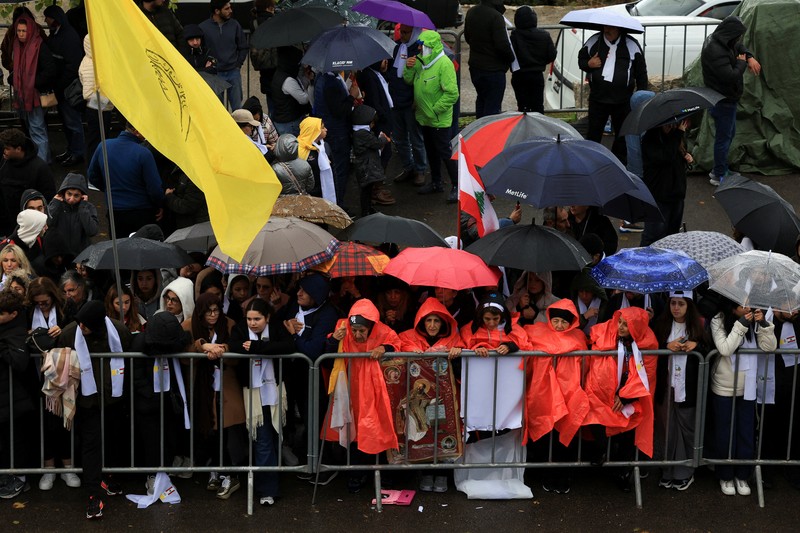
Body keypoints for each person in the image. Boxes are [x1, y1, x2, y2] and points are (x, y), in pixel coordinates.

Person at [55, 301, 132, 519]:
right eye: (79, 323)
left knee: (113, 439)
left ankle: (107, 477)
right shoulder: (70, 333)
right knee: (91, 444)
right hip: (86, 400)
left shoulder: (119, 331)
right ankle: (92, 495)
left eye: (86, 325)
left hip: (112, 398)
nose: (81, 328)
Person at [324, 298, 400, 493]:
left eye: (362, 331)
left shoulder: (383, 331)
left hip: (376, 391)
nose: (357, 334)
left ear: (371, 327)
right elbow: (327, 354)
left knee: (377, 431)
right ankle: (356, 476)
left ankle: (385, 477)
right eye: (355, 330)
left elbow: (397, 344)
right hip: (350, 390)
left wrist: (384, 348)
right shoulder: (343, 328)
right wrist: (335, 339)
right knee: (354, 434)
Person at [229, 298, 296, 506]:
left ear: (267, 317)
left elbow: (288, 346)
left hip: (276, 390)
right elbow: (235, 347)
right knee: (264, 440)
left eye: (257, 318)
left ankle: (271, 483)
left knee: (275, 437)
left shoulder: (276, 327)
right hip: (253, 393)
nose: (252, 323)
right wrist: (264, 348)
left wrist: (257, 347)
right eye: (249, 318)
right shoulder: (240, 329)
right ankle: (267, 490)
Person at [585, 307, 658, 492]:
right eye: (620, 322)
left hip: (630, 396)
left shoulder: (648, 343)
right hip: (608, 391)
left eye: (627, 324)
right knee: (597, 416)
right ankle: (601, 451)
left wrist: (626, 397)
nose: (621, 327)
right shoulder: (610, 336)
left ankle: (622, 473)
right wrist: (611, 393)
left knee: (628, 432)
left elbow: (646, 376)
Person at [709, 298, 776, 496]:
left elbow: (769, 347)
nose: (747, 309)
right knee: (725, 433)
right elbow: (725, 348)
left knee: (746, 432)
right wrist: (741, 325)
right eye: (742, 306)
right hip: (724, 386)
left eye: (749, 305)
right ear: (732, 307)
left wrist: (763, 325)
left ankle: (742, 475)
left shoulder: (755, 320)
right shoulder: (718, 319)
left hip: (748, 386)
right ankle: (726, 475)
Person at [397, 297, 464, 492]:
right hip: (421, 401)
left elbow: (461, 366)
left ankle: (443, 474)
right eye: (428, 320)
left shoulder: (454, 340)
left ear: (443, 322)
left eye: (436, 320)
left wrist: (456, 353)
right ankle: (426, 472)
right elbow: (399, 346)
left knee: (443, 430)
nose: (432, 325)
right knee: (423, 431)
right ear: (420, 322)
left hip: (445, 397)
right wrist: (413, 351)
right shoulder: (408, 337)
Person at [525, 299, 590, 495]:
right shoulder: (538, 332)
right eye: (556, 321)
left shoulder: (578, 337)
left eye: (564, 322)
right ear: (550, 319)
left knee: (565, 435)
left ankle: (562, 475)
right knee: (547, 436)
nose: (560, 326)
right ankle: (547, 474)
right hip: (544, 393)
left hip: (568, 393)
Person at [651, 290, 707, 491]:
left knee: (687, 427)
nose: (676, 308)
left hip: (688, 385)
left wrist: (696, 345)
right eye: (673, 303)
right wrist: (666, 346)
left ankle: (685, 471)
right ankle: (667, 471)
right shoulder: (661, 324)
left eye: (681, 304)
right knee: (668, 429)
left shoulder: (699, 325)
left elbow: (709, 349)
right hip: (667, 384)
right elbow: (651, 345)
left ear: (689, 306)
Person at [701, 15, 761, 186]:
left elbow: (738, 46)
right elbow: (730, 76)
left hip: (727, 98)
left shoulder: (723, 40)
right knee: (724, 137)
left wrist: (749, 56)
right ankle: (718, 175)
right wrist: (742, 63)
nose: (740, 39)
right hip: (722, 99)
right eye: (738, 35)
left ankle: (721, 169)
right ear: (731, 34)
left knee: (728, 134)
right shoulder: (715, 50)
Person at [403, 30, 460, 203]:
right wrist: (409, 67)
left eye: (423, 45)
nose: (419, 48)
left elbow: (452, 94)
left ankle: (457, 187)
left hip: (438, 119)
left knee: (444, 152)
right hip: (424, 118)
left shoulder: (444, 64)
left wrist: (435, 109)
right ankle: (436, 183)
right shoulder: (421, 61)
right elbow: (409, 80)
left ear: (432, 46)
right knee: (431, 151)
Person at [577, 24, 648, 159]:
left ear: (619, 29)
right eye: (605, 27)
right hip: (598, 98)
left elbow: (641, 73)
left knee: (622, 135)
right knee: (593, 133)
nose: (607, 30)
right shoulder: (594, 41)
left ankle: (618, 163)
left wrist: (641, 96)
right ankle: (591, 160)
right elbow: (581, 60)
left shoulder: (632, 44)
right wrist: (588, 64)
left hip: (622, 100)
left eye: (611, 28)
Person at [87, 122, 164, 238]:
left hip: (115, 211)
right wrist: (160, 204)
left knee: (119, 250)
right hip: (141, 211)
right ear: (137, 132)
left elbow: (92, 176)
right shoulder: (144, 153)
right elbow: (154, 188)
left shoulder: (103, 146)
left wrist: (109, 189)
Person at [0, 291, 36, 500]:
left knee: (17, 439)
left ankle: (20, 479)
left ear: (13, 314)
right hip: (7, 397)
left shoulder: (16, 332)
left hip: (15, 398)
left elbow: (19, 361)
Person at [10, 13, 57, 163]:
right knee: (33, 129)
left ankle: (41, 166)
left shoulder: (39, 46)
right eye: (18, 31)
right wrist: (13, 78)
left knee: (37, 130)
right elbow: (17, 70)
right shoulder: (17, 46)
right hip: (23, 95)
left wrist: (32, 82)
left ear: (30, 30)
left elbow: (50, 70)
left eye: (24, 31)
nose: (21, 34)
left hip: (35, 95)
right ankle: (43, 160)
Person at [639, 120, 694, 246]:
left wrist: (686, 157)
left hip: (676, 194)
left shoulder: (676, 135)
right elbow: (665, 157)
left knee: (672, 237)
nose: (672, 126)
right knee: (653, 236)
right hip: (658, 196)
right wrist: (678, 134)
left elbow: (675, 155)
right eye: (668, 124)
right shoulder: (650, 138)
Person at [43, 5, 86, 167]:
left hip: (68, 88)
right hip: (62, 87)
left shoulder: (68, 36)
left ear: (55, 18)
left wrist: (60, 84)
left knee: (72, 122)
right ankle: (72, 150)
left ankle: (77, 153)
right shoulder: (57, 33)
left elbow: (72, 65)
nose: (45, 20)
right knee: (67, 122)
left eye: (47, 17)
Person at [314, 69, 359, 208]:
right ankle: (338, 205)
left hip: (332, 130)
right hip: (337, 132)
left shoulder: (323, 77)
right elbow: (339, 110)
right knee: (340, 170)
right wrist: (352, 96)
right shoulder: (331, 83)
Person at [389, 25, 427, 186]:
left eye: (405, 32)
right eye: (401, 32)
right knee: (399, 138)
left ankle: (420, 169)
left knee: (416, 138)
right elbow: (393, 71)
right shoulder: (398, 47)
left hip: (410, 102)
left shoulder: (419, 51)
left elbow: (421, 77)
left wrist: (416, 100)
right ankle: (408, 167)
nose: (402, 35)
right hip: (396, 100)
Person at [464, 0, 515, 118]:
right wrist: (511, 59)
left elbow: (467, 37)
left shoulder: (472, 12)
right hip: (493, 69)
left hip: (476, 66)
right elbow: (502, 45)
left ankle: (478, 131)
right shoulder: (496, 17)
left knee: (481, 100)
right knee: (492, 108)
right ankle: (489, 134)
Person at [0, 129, 56, 237]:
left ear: (18, 149)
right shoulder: (4, 161)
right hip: (7, 223)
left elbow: (48, 198)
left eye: (7, 148)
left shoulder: (40, 168)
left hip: (30, 227)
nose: (4, 151)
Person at [199, 0, 247, 110]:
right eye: (226, 8)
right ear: (217, 11)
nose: (230, 10)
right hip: (215, 74)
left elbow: (243, 46)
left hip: (233, 72)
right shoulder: (203, 28)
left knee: (238, 110)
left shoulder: (235, 25)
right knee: (217, 110)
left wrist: (238, 64)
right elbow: (201, 51)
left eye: (230, 7)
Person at [509, 5, 556, 114]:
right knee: (538, 106)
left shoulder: (514, 36)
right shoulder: (544, 35)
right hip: (536, 74)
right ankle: (538, 129)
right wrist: (541, 62)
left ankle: (524, 128)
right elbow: (552, 55)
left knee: (522, 107)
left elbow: (510, 55)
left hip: (519, 75)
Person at [78, 34, 114, 164]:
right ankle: (97, 167)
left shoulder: (88, 61)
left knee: (96, 139)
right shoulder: (95, 63)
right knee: (99, 140)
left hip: (96, 106)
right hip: (100, 106)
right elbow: (89, 92)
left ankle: (96, 166)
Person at [351, 105, 391, 217]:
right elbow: (376, 143)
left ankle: (368, 208)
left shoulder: (359, 132)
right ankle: (366, 211)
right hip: (366, 167)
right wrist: (383, 139)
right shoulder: (362, 134)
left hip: (365, 166)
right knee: (366, 190)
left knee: (367, 189)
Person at [47, 173, 99, 258]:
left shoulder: (88, 207)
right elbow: (48, 224)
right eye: (69, 194)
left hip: (81, 255)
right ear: (64, 193)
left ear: (82, 196)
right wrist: (55, 204)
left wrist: (82, 209)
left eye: (76, 195)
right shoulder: (56, 205)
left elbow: (92, 231)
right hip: (60, 255)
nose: (71, 199)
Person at [271, 46, 311, 137]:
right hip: (289, 123)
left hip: (283, 121)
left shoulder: (280, 73)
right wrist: (311, 87)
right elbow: (303, 99)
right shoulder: (288, 80)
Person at [297, 117, 335, 202]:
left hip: (326, 188)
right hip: (310, 194)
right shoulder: (299, 150)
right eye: (322, 128)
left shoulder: (325, 146)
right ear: (314, 131)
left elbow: (333, 168)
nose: (326, 129)